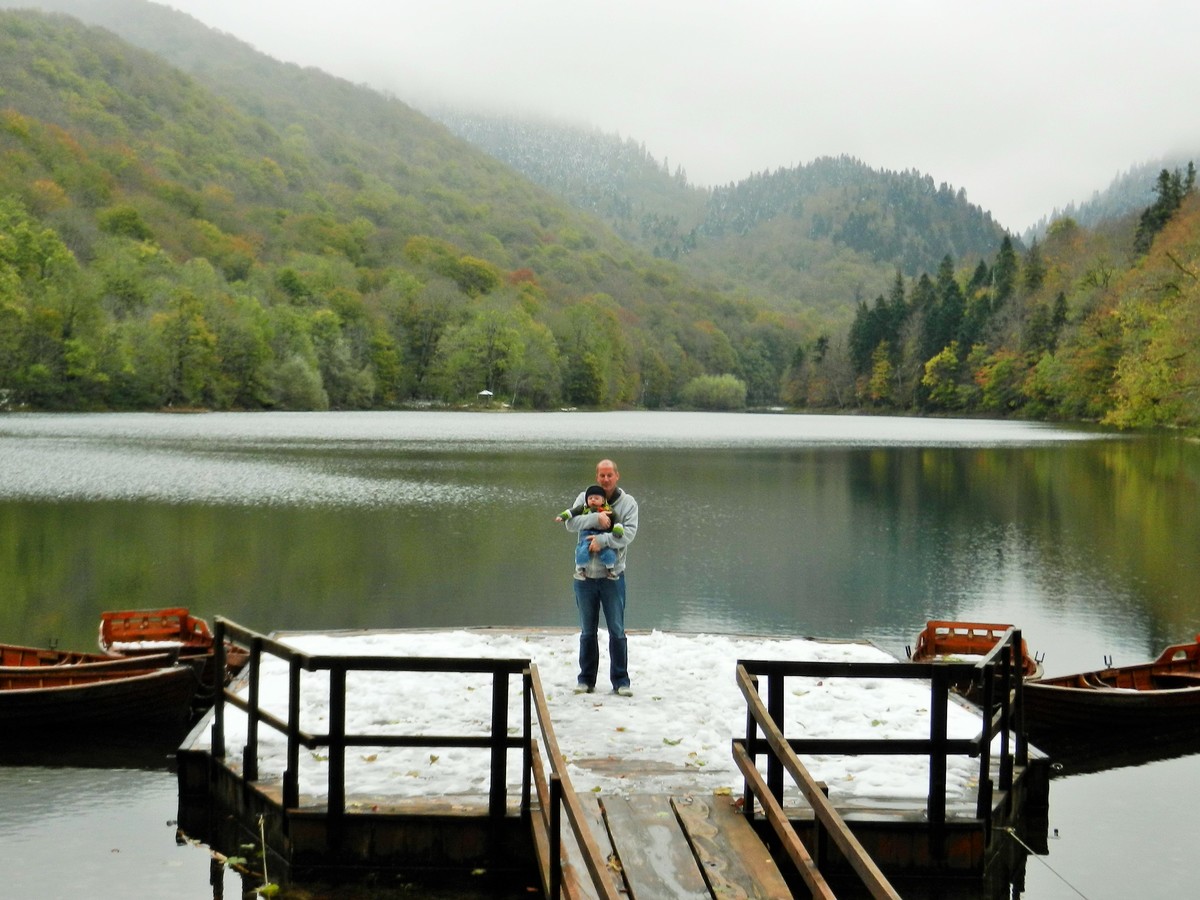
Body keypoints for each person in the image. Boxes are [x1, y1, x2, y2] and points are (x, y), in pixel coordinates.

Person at [560, 459, 638, 696]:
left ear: (617, 476)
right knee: (587, 630)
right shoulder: (585, 497)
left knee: (617, 629)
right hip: (584, 577)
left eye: (609, 475)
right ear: (597, 477)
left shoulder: (628, 503)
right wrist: (596, 519)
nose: (605, 479)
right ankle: (586, 680)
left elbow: (629, 533)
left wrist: (602, 541)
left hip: (612, 577)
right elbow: (570, 523)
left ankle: (621, 681)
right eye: (601, 475)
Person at [555, 484, 625, 578]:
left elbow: (617, 519)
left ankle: (610, 569)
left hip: (603, 534)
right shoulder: (583, 508)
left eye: (596, 498)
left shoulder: (608, 510)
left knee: (608, 552)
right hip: (586, 534)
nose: (593, 500)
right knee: (582, 550)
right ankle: (580, 569)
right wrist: (562, 516)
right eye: (590, 498)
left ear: (603, 500)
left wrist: (618, 530)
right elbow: (572, 512)